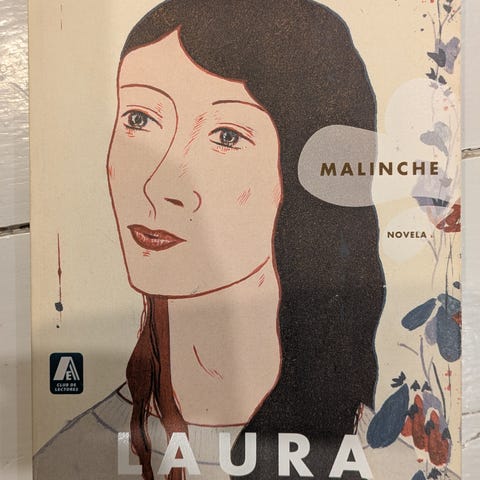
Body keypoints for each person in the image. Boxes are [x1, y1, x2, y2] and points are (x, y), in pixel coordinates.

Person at [35, 1, 390, 479]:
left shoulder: (390, 461)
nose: (158, 183)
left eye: (226, 136)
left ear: (300, 179)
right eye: (139, 119)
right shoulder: (69, 460)